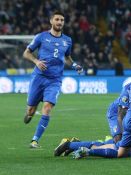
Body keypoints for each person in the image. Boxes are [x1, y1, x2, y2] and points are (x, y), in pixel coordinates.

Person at [22, 11, 83, 148]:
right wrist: (36, 61)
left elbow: (67, 58)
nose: (59, 22)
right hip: (39, 77)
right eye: (57, 19)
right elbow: (26, 53)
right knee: (31, 110)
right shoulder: (41, 37)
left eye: (62, 20)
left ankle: (35, 140)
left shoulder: (67, 40)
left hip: (54, 80)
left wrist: (74, 65)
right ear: (51, 21)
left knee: (48, 107)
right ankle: (29, 114)